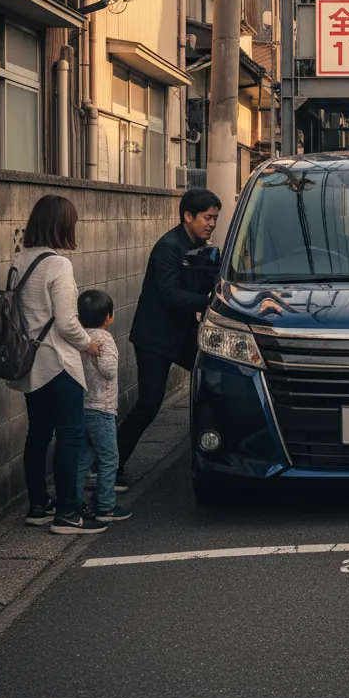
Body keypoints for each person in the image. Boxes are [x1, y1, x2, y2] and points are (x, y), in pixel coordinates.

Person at [11, 195, 108, 536]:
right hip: (58, 364)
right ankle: (68, 513)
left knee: (38, 433)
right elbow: (67, 323)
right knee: (70, 436)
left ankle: (39, 506)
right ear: (62, 225)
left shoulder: (20, 260)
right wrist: (89, 345)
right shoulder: (59, 265)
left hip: (30, 363)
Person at [116, 188, 222, 487]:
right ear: (188, 216)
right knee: (149, 405)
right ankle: (109, 467)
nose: (212, 224)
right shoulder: (169, 246)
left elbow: (209, 281)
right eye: (207, 218)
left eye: (215, 218)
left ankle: (217, 447)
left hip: (181, 334)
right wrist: (210, 301)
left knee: (215, 378)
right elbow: (170, 294)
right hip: (154, 338)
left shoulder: (199, 245)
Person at [75, 289, 131, 522]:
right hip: (102, 409)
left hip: (83, 406)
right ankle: (106, 505)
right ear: (109, 317)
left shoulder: (79, 337)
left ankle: (74, 502)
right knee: (109, 458)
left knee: (83, 458)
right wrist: (97, 356)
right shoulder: (104, 339)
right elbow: (108, 371)